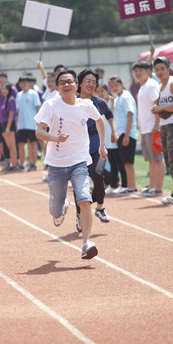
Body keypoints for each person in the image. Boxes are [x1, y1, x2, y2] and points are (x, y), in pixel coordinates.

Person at [34, 69, 107, 260]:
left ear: (77, 85)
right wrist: (55, 137)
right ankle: (62, 207)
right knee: (55, 211)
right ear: (57, 88)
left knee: (84, 199)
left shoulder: (86, 105)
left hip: (79, 162)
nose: (66, 85)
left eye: (70, 82)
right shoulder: (50, 105)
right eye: (62, 82)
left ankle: (86, 243)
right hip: (56, 164)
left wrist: (102, 145)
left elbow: (100, 121)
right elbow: (39, 132)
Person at [73, 68, 118, 232]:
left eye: (94, 82)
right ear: (79, 84)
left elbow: (109, 113)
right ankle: (80, 215)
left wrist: (113, 130)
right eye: (88, 81)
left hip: (97, 147)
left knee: (98, 174)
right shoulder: (73, 102)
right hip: (77, 150)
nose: (91, 84)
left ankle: (99, 207)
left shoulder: (99, 102)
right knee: (80, 183)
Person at [151, 56, 173, 201]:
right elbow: (162, 107)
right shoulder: (161, 86)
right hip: (165, 126)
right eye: (157, 69)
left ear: (168, 69)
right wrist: (157, 111)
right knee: (168, 159)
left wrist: (161, 107)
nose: (160, 72)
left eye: (162, 69)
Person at [132, 60, 164, 197]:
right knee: (151, 159)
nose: (138, 73)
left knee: (157, 158)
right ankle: (151, 186)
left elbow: (157, 104)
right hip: (145, 128)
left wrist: (157, 125)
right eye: (136, 71)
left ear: (149, 71)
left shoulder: (151, 85)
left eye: (141, 70)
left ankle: (158, 188)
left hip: (152, 127)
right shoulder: (143, 86)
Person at [108, 76, 138, 195]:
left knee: (128, 162)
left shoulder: (125, 96)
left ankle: (131, 186)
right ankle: (130, 186)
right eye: (112, 86)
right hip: (121, 133)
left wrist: (126, 135)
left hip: (127, 134)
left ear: (121, 84)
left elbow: (130, 116)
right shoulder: (118, 98)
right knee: (125, 162)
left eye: (116, 85)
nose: (114, 88)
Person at [16, 76, 42, 171]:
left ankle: (32, 163)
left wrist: (39, 122)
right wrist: (17, 124)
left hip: (32, 124)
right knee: (21, 144)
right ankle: (21, 164)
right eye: (21, 83)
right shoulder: (18, 95)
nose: (23, 84)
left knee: (32, 143)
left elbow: (38, 108)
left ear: (29, 83)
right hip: (21, 125)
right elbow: (17, 110)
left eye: (25, 82)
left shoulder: (33, 94)